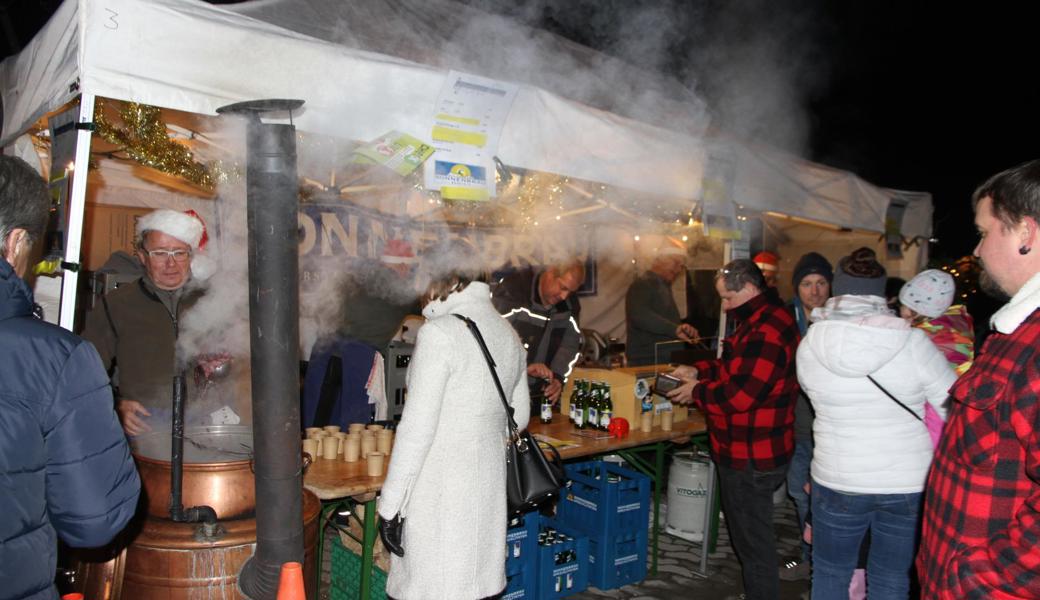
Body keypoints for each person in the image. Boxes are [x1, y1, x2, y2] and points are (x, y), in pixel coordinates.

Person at [0, 156, 141, 599]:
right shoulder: (55, 356)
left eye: (180, 253)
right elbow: (95, 519)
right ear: (18, 241)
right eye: (161, 252)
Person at [796, 247, 956, 599]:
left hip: (838, 477)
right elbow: (951, 405)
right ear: (881, 295)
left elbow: (814, 397)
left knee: (830, 573)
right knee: (891, 577)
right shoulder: (914, 341)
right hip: (907, 482)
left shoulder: (810, 344)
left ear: (838, 290)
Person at [918, 159, 1040, 598]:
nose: (977, 250)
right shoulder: (1018, 332)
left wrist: (977, 581)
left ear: (1025, 234)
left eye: (985, 232)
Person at [378, 253, 530, 600]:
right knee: (476, 586)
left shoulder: (439, 334)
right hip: (486, 486)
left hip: (440, 492)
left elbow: (416, 431)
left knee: (436, 586)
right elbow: (519, 416)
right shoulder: (507, 332)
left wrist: (390, 507)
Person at [667, 258, 800, 600]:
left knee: (753, 544)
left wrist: (696, 392)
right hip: (754, 450)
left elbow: (741, 395)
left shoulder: (766, 328)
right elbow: (734, 368)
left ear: (750, 289)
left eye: (728, 298)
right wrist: (698, 370)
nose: (724, 306)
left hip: (751, 454)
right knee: (752, 540)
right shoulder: (759, 319)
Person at [81, 208, 212, 436]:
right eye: (160, 253)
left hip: (210, 424)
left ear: (191, 256)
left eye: (179, 253)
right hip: (146, 426)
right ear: (142, 256)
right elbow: (86, 373)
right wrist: (116, 405)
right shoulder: (116, 305)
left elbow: (246, 367)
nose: (171, 264)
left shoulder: (214, 300)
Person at [303, 239, 421, 427]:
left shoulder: (357, 275)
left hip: (324, 354)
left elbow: (322, 306)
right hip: (357, 361)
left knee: (317, 428)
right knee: (352, 430)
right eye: (408, 267)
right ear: (401, 265)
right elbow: (432, 308)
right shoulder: (403, 293)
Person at [780, 251, 833, 582]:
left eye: (821, 282)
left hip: (832, 426)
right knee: (799, 491)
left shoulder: (840, 318)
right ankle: (809, 556)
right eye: (807, 284)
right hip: (797, 423)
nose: (814, 291)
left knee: (828, 499)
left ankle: (829, 562)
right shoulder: (786, 319)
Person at [491, 260, 584, 405]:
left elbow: (569, 345)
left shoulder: (570, 305)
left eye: (570, 291)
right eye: (563, 287)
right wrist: (524, 366)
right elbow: (490, 340)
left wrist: (558, 378)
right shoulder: (513, 290)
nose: (564, 296)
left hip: (539, 395)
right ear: (550, 272)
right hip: (502, 392)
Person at [625, 242, 698, 366]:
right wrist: (674, 329)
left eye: (681, 266)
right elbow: (640, 316)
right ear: (659, 260)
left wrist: (682, 329)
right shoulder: (643, 284)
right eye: (675, 263)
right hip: (648, 362)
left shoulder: (661, 285)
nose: (678, 269)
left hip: (662, 360)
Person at [898, 268, 975, 374]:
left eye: (903, 305)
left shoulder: (927, 336)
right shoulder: (952, 323)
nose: (900, 309)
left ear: (914, 311)